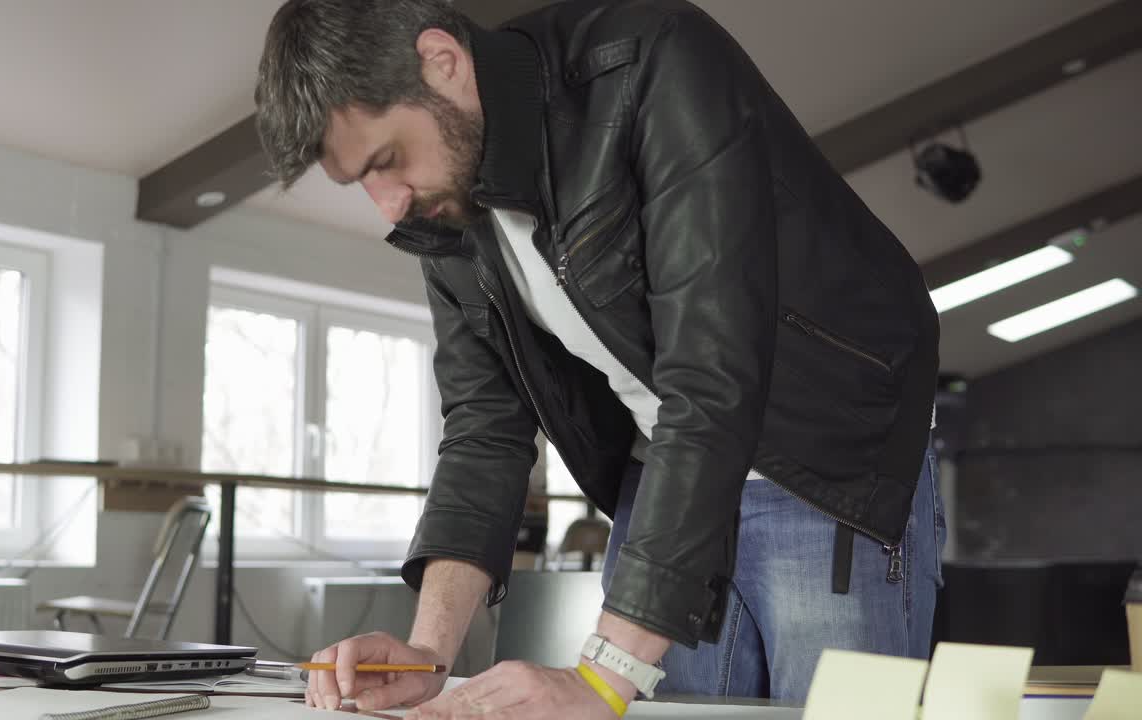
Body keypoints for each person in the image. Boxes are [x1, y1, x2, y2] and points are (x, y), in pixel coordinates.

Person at [254, 0, 945, 716]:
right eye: (361, 180)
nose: (389, 205)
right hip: (665, 474)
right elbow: (484, 425)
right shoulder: (445, 208)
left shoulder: (652, 59)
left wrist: (598, 679)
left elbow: (712, 372)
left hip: (828, 456)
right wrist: (430, 652)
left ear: (443, 61)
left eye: (387, 161)